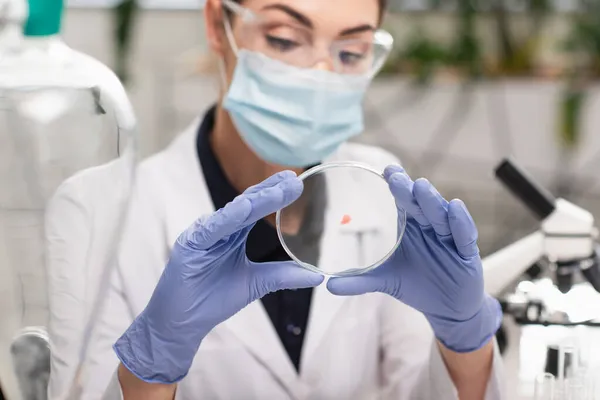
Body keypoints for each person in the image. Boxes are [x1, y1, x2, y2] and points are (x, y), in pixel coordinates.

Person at [79, 0, 504, 398]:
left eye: (352, 51)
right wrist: (150, 365)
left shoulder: (381, 189)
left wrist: (464, 341)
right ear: (217, 23)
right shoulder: (101, 210)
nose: (321, 75)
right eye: (284, 39)